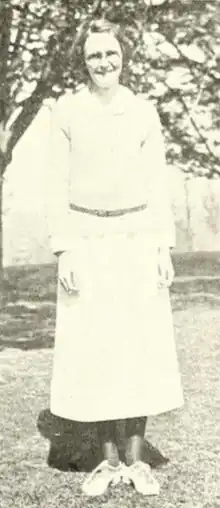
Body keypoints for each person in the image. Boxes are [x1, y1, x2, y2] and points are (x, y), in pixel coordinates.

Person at [46, 18, 184, 497]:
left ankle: (138, 459)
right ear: (82, 63)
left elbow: (156, 184)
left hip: (137, 236)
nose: (103, 63)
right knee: (97, 345)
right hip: (86, 236)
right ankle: (107, 460)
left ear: (123, 57)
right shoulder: (67, 111)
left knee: (139, 344)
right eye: (93, 56)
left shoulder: (143, 112)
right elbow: (56, 186)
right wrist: (64, 251)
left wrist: (163, 246)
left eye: (110, 54)